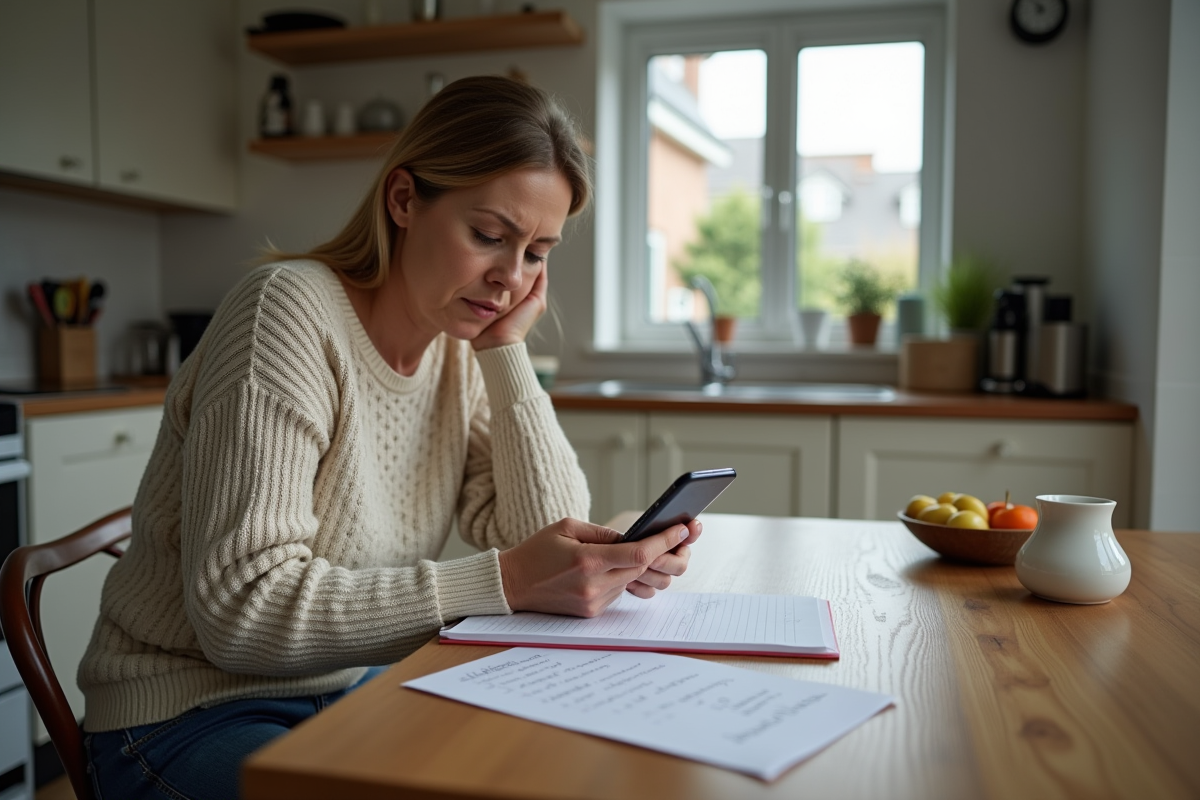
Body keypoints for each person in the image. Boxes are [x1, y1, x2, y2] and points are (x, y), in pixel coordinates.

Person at [78, 76, 701, 800]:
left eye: (536, 252)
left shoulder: (455, 347)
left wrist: (505, 351)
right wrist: (504, 580)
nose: (510, 277)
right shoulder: (285, 316)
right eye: (490, 236)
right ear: (404, 200)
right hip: (189, 713)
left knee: (547, 767)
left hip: (348, 689)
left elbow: (539, 533)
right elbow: (241, 615)